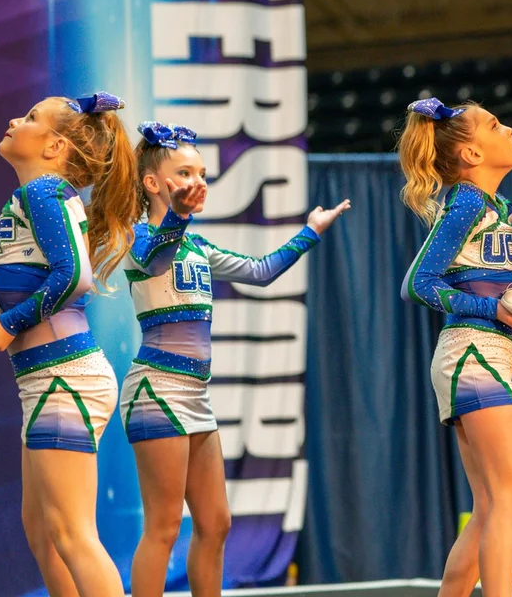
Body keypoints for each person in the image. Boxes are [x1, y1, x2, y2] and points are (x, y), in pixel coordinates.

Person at [121, 121, 349, 596]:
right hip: (156, 391)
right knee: (164, 526)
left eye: (202, 174)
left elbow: (260, 272)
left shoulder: (198, 246)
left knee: (217, 523)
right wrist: (178, 216)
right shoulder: (135, 238)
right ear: (152, 183)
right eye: (185, 174)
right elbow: (156, 260)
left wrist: (310, 231)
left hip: (195, 397)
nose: (198, 182)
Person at [0, 91, 140, 597]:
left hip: (63, 379)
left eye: (29, 118)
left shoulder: (43, 191)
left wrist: (9, 323)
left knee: (71, 535)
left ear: (54, 147)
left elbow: (75, 277)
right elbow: (43, 274)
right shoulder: (37, 195)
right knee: (45, 535)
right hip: (51, 380)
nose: (13, 119)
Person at [396, 98, 512, 597]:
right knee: (511, 495)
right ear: (472, 155)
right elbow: (417, 283)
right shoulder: (469, 202)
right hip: (472, 354)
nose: (510, 129)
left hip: (483, 353)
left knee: (490, 506)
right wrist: (492, 309)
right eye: (496, 125)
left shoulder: (492, 206)